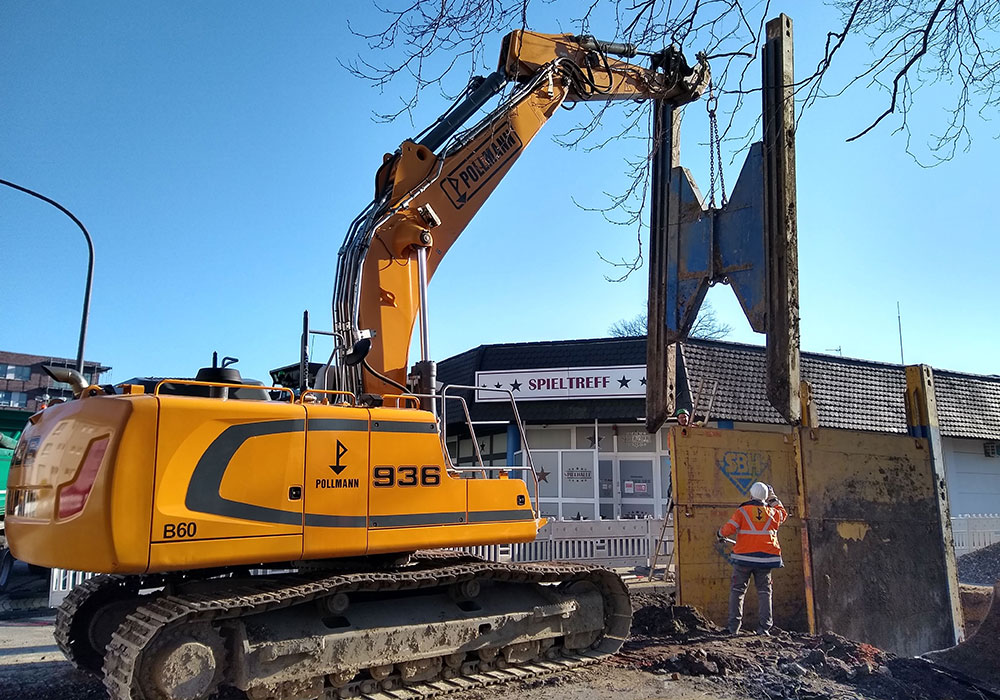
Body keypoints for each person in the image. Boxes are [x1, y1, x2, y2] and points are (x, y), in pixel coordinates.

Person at [717, 481, 787, 635]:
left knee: (737, 591)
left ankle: (733, 628)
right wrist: (773, 497)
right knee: (765, 593)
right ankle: (764, 628)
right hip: (766, 560)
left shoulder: (742, 511)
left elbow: (729, 529)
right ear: (766, 497)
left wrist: (720, 534)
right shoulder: (773, 513)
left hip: (744, 559)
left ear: (751, 495)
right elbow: (783, 514)